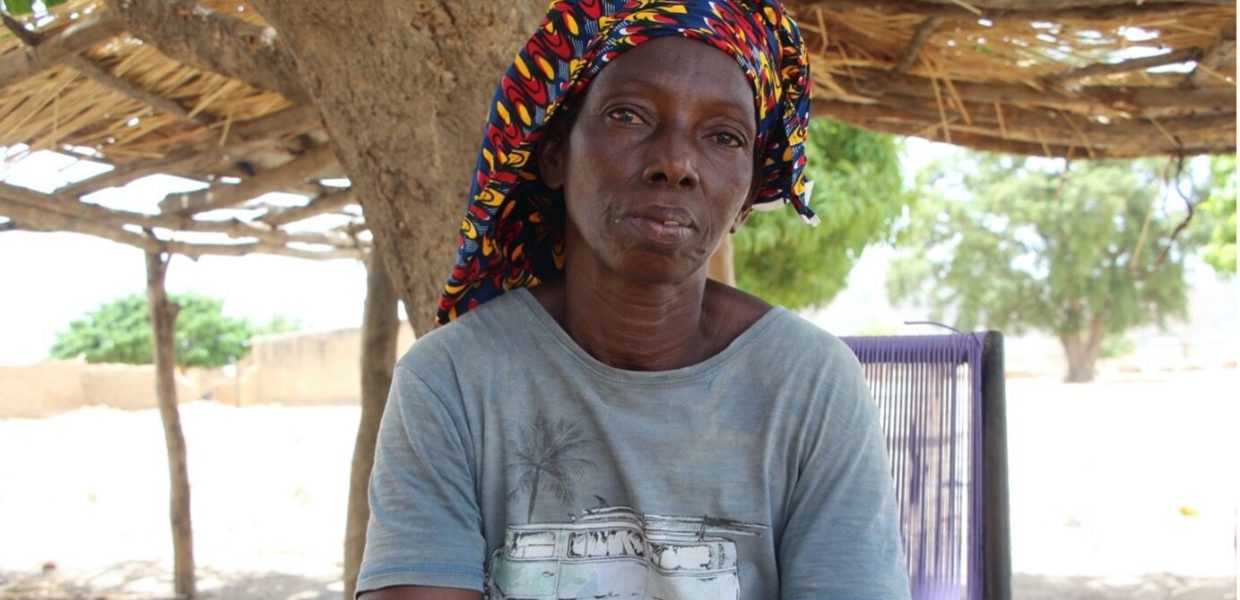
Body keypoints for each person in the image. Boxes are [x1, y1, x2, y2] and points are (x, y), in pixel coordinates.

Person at [356, 1, 910, 599]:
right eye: (629, 115)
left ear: (747, 195)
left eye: (723, 136)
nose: (675, 163)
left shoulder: (809, 384)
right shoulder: (452, 381)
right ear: (554, 153)